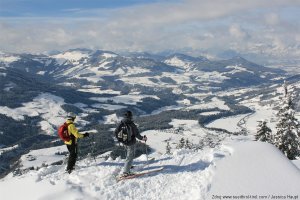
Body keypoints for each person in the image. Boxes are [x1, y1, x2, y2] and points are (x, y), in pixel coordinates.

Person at [114, 110, 147, 177]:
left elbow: (115, 132)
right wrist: (142, 138)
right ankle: (126, 172)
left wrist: (120, 140)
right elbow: (137, 134)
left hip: (124, 142)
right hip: (131, 142)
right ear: (130, 116)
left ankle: (129, 166)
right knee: (130, 156)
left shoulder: (121, 123)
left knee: (128, 155)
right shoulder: (131, 124)